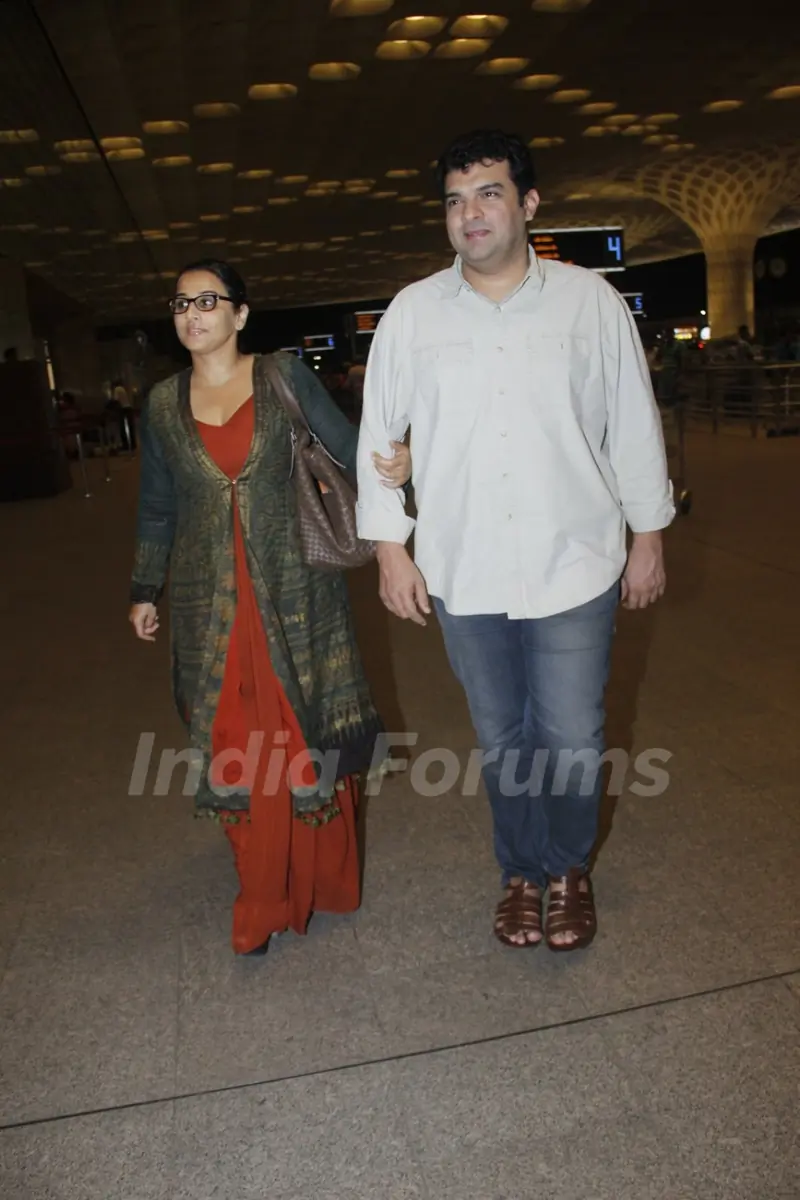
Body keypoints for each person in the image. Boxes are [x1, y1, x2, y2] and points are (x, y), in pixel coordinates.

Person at [356, 130, 674, 954]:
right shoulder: (413, 313)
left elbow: (633, 424)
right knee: (502, 741)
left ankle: (568, 869)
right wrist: (390, 546)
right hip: (464, 566)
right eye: (455, 200)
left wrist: (649, 534)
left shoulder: (588, 302)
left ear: (528, 204)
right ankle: (522, 874)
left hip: (574, 559)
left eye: (489, 193)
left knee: (571, 738)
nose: (471, 213)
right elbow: (379, 435)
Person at [129, 259, 411, 955]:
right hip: (210, 605)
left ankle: (326, 879)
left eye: (207, 301)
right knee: (235, 739)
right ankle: (262, 895)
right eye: (180, 304)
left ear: (240, 314)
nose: (192, 314)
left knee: (304, 729)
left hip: (296, 594)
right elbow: (158, 506)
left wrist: (402, 468)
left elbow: (350, 452)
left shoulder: (282, 376)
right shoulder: (162, 404)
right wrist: (144, 587)